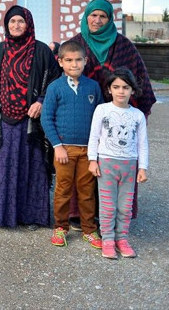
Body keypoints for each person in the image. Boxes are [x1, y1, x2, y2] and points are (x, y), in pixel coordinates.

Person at [67, 0, 155, 226]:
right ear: (86, 17)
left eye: (103, 16)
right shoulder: (75, 44)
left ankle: (115, 215)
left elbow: (140, 80)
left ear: (109, 19)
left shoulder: (125, 46)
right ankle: (80, 214)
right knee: (85, 163)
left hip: (118, 117)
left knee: (115, 162)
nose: (97, 20)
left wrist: (138, 114)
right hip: (82, 116)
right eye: (93, 15)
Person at [0, 5, 60, 229]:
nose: (16, 25)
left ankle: (31, 216)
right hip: (1, 121)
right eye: (12, 21)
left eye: (21, 21)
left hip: (31, 123)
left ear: (28, 24)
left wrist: (41, 101)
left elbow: (54, 80)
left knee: (30, 166)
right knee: (0, 165)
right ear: (6, 25)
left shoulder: (42, 51)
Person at [41, 41, 104, 249]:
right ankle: (60, 227)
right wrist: (57, 146)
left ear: (85, 61)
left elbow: (100, 118)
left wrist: (97, 149)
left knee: (87, 191)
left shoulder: (93, 86)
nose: (74, 64)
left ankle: (89, 229)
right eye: (69, 60)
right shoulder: (55, 87)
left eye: (78, 60)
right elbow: (46, 118)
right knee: (63, 189)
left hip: (88, 151)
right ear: (60, 62)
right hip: (64, 150)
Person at [89, 67, 149, 259]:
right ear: (109, 89)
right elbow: (94, 136)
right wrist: (92, 160)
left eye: (125, 87)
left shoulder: (138, 115)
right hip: (106, 164)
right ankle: (107, 239)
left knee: (125, 206)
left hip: (129, 166)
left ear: (132, 90)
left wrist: (143, 167)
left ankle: (121, 239)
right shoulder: (102, 110)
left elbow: (142, 143)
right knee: (108, 206)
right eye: (116, 87)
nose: (121, 91)